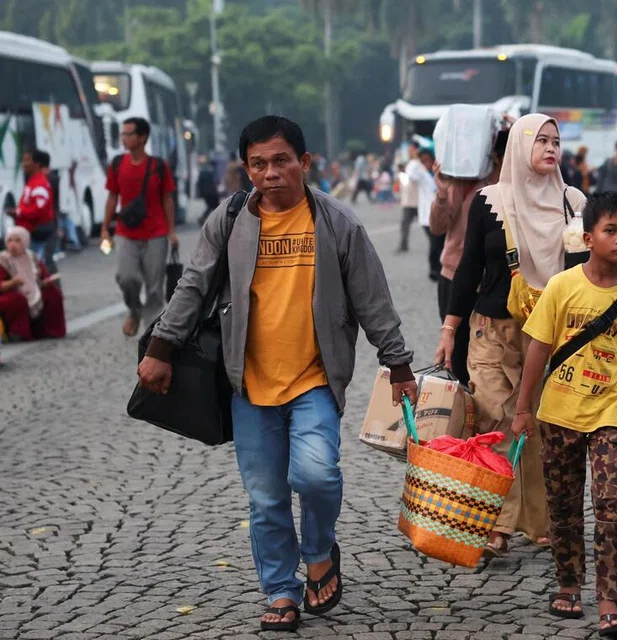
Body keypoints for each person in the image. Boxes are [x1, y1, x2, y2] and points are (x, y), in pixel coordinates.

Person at [137, 116, 417, 632]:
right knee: (265, 497)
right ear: (246, 169)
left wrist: (397, 364)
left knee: (315, 475)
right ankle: (282, 590)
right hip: (248, 383)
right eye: (258, 164)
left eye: (281, 161)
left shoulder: (337, 224)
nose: (270, 173)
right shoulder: (229, 221)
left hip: (314, 379)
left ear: (305, 163)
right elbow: (193, 286)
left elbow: (373, 301)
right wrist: (160, 347)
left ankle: (317, 554)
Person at [436, 113, 587, 558]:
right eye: (540, 140)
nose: (550, 148)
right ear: (520, 146)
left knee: (538, 424)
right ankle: (496, 523)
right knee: (495, 419)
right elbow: (468, 271)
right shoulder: (489, 201)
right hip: (491, 330)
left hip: (550, 334)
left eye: (555, 141)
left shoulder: (573, 202)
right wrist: (450, 330)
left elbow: (585, 273)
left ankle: (540, 521)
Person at [511, 192, 617, 638]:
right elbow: (539, 348)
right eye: (611, 230)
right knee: (564, 505)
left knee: (611, 503)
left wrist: (614, 396)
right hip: (559, 411)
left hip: (611, 411)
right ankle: (568, 584)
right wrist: (522, 408)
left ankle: (610, 600)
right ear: (588, 237)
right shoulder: (562, 286)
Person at [429, 130, 508, 384]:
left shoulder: (524, 186)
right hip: (456, 277)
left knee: (495, 365)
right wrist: (442, 192)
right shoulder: (464, 180)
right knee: (459, 360)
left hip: (498, 285)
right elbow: (438, 227)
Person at [101, 117, 178, 336]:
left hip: (156, 233)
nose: (123, 138)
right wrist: (105, 228)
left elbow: (167, 199)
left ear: (142, 137)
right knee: (126, 277)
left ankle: (151, 334)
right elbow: (112, 197)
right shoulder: (117, 164)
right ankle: (134, 309)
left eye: (128, 134)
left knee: (155, 287)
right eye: (122, 134)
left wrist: (171, 231)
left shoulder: (158, 166)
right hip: (126, 232)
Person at [0, 226, 66, 342]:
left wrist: (46, 282)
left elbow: (42, 277)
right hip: (9, 292)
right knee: (16, 300)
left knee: (53, 293)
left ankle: (48, 331)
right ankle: (18, 332)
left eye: (17, 241)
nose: (13, 245)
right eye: (10, 241)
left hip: (33, 290)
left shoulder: (32, 257)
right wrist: (12, 283)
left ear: (25, 242)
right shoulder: (3, 260)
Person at [7, 150, 56, 260]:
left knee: (36, 264)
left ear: (37, 164)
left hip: (36, 231)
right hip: (30, 229)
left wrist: (18, 212)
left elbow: (39, 211)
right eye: (23, 160)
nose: (24, 164)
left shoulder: (39, 184)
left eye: (27, 160)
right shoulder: (32, 182)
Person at [406, 144, 442, 280]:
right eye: (423, 160)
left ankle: (438, 269)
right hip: (427, 215)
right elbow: (410, 173)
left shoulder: (438, 171)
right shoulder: (419, 172)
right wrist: (415, 158)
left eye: (428, 159)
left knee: (439, 243)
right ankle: (434, 270)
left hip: (440, 213)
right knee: (435, 243)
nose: (426, 163)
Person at [397, 141, 421, 253]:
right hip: (409, 199)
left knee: (428, 225)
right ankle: (403, 244)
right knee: (405, 223)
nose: (409, 152)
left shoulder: (419, 163)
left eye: (411, 149)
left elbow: (416, 178)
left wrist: (406, 174)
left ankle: (438, 243)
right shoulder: (411, 163)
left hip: (417, 199)